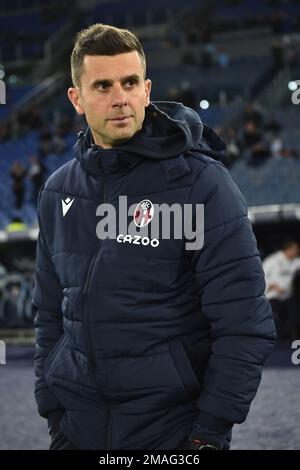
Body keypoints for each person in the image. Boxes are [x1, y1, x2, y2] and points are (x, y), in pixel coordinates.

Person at [33, 23, 276, 451]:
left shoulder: (203, 184)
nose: (120, 98)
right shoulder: (57, 191)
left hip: (173, 434)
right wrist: (53, 410)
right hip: (76, 430)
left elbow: (244, 324)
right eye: (103, 86)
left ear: (147, 90)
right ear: (76, 98)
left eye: (129, 83)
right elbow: (50, 312)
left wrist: (208, 433)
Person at [263, 240, 300, 340]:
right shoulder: (272, 260)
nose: (297, 251)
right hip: (273, 295)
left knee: (294, 315)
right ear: (289, 249)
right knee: (276, 316)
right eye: (295, 249)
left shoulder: (295, 261)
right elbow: (261, 276)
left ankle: (285, 337)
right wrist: (272, 285)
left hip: (287, 295)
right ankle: (277, 340)